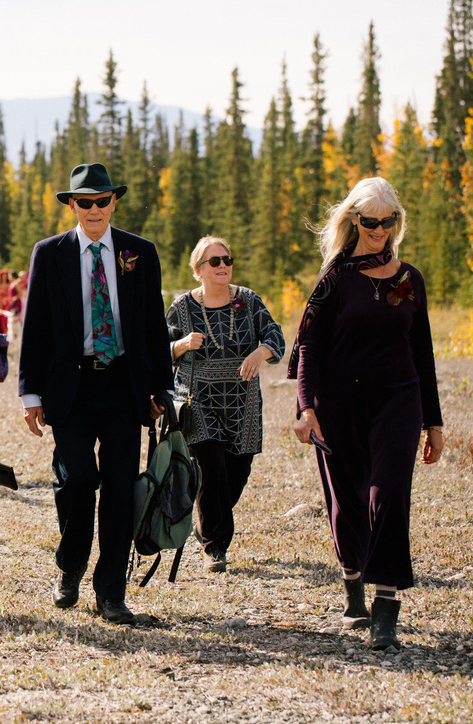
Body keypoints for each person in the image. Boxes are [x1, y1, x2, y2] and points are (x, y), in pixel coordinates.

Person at [290, 177, 443, 651]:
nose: (379, 228)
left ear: (397, 221)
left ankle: (386, 605)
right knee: (348, 502)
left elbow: (423, 351)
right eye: (370, 220)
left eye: (388, 220)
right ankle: (352, 574)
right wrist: (306, 406)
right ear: (354, 220)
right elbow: (310, 349)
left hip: (399, 398)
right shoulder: (334, 280)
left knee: (389, 492)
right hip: (339, 405)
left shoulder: (409, 279)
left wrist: (433, 421)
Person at [18, 162, 173, 624]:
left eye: (101, 201)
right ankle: (70, 566)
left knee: (122, 488)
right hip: (71, 387)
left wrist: (162, 387)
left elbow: (152, 325)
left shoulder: (139, 252)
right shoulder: (49, 254)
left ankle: (111, 591)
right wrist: (31, 394)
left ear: (113, 202)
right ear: (72, 205)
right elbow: (36, 325)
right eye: (84, 202)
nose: (93, 209)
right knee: (77, 479)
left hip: (125, 385)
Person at [166, 236, 286, 573]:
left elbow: (276, 337)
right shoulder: (182, 307)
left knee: (236, 472)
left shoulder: (247, 300)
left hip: (242, 401)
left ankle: (205, 521)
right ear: (198, 270)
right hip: (196, 397)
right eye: (214, 261)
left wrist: (260, 352)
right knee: (211, 465)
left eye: (227, 259)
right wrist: (181, 345)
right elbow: (157, 351)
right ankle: (214, 547)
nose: (223, 266)